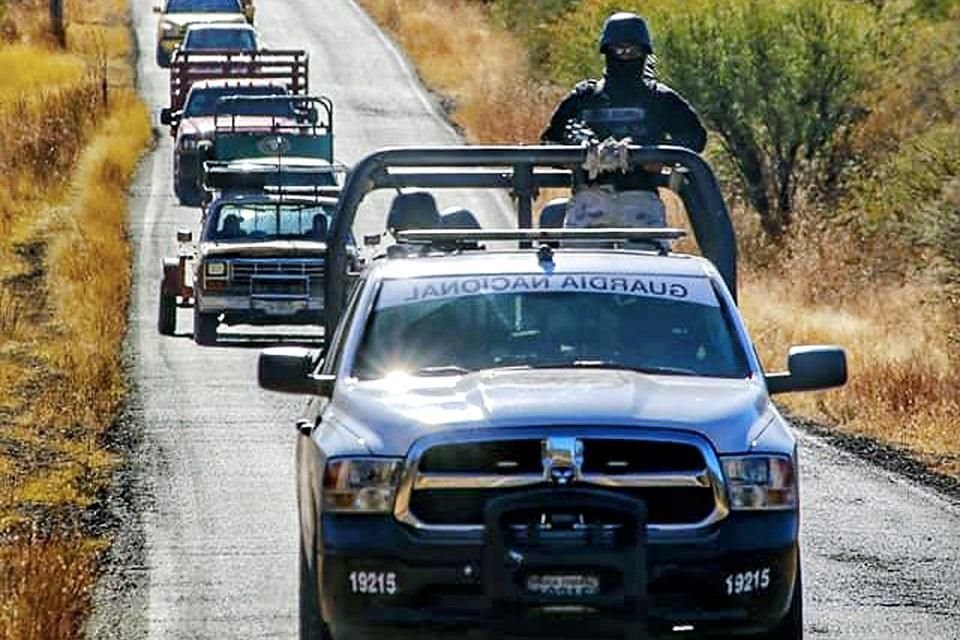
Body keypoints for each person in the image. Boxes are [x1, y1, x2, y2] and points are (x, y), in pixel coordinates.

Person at [541, 11, 707, 232]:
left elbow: (696, 138)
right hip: (589, 199)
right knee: (580, 265)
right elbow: (548, 142)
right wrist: (576, 157)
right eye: (619, 50)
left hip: (640, 200)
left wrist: (658, 156)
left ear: (644, 53)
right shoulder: (584, 97)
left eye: (633, 50)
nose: (626, 56)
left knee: (648, 264)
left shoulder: (659, 97)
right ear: (607, 51)